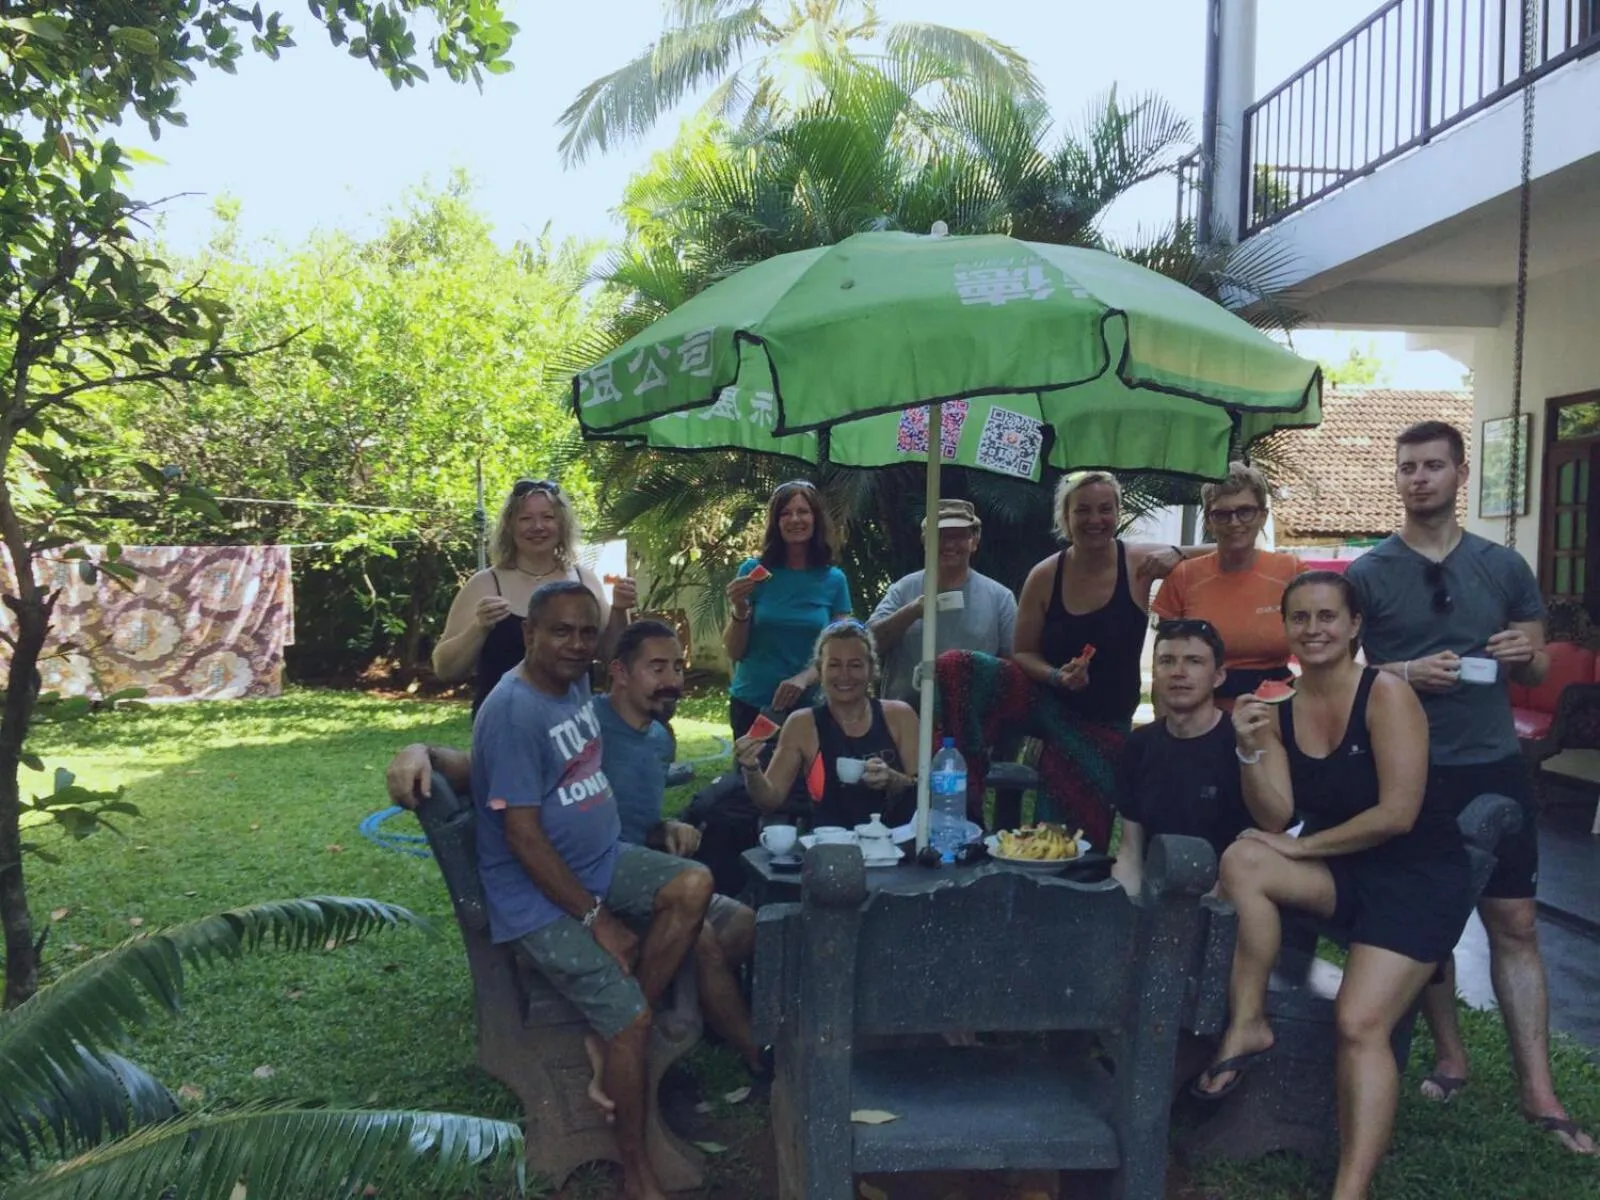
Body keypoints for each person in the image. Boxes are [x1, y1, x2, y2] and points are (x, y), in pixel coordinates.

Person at [428, 582, 736, 1200]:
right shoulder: (513, 711)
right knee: (634, 1020)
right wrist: (597, 919)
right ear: (529, 635)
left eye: (585, 632)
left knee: (694, 885)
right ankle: (636, 1171)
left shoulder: (571, 685)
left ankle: (609, 1031)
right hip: (536, 899)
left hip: (601, 859)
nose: (575, 644)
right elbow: (522, 837)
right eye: (560, 631)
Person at [1345, 420, 1595, 1155]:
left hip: (1493, 764)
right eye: (1406, 467)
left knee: (1514, 923)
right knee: (1424, 924)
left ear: (1459, 474)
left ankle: (1539, 1093)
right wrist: (1404, 673)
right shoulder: (1367, 573)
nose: (1418, 477)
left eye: (1431, 466)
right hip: (1403, 766)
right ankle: (1451, 1056)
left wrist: (1531, 654)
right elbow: (1334, 672)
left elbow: (1539, 665)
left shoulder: (1504, 566)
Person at [1193, 572, 1475, 1200]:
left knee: (1357, 1022)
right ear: (1286, 629)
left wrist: (1302, 847)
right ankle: (1249, 1023)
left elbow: (1397, 814)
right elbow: (1272, 816)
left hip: (1418, 878)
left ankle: (1350, 1189)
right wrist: (1248, 750)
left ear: (1354, 627)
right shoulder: (1280, 708)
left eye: (1327, 617)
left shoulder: (1387, 696)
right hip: (1347, 872)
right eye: (1300, 618)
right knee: (1244, 860)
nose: (1314, 629)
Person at [387, 620, 763, 1070]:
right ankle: (751, 1056)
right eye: (657, 667)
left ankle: (649, 1016)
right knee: (698, 935)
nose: (673, 681)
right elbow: (479, 767)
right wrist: (419, 751)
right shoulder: (581, 719)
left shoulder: (661, 738)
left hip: (636, 868)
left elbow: (619, 806)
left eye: (678, 667)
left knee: (743, 924)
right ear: (620, 672)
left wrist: (660, 825)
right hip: (586, 882)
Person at [934, 471, 1188, 846]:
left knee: (1066, 837)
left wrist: (1178, 552)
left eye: (1105, 509)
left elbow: (1221, 551)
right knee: (955, 666)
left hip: (1102, 721)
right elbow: (1022, 651)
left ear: (1118, 513)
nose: (1094, 520)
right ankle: (964, 787)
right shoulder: (1046, 574)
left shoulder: (1136, 563)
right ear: (1065, 518)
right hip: (1044, 702)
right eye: (1082, 510)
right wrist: (1055, 676)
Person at [1111, 619, 1285, 897]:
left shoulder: (1240, 741)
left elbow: (1271, 830)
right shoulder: (1138, 745)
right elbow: (1130, 852)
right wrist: (1123, 910)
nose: (1178, 673)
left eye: (1193, 661)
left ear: (1218, 676)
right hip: (1157, 895)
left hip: (1231, 900)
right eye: (1167, 661)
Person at [432, 479, 635, 714]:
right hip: (505, 727)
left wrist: (620, 609)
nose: (537, 526)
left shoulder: (585, 580)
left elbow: (613, 657)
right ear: (510, 527)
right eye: (525, 519)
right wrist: (479, 627)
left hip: (573, 729)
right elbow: (444, 668)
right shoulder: (485, 584)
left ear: (562, 525)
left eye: (547, 517)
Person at [733, 620, 919, 831]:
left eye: (855, 665)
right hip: (832, 847)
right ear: (820, 671)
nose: (845, 675)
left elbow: (926, 790)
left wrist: (893, 780)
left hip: (898, 844)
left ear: (871, 670)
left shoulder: (899, 715)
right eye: (834, 665)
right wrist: (752, 768)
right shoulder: (802, 724)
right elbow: (770, 800)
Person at [1151, 462, 1301, 706]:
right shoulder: (1183, 577)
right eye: (1222, 514)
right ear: (1209, 522)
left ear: (1262, 516)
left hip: (1276, 714)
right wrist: (1164, 734)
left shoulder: (1291, 572)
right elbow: (1165, 664)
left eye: (1245, 511)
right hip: (1199, 719)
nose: (1234, 522)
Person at [723, 480, 852, 738]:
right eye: (785, 513)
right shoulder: (752, 572)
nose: (795, 519)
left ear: (815, 519)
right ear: (776, 522)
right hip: (753, 703)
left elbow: (841, 648)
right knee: (753, 777)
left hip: (812, 706)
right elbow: (734, 651)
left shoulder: (834, 580)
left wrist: (804, 678)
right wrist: (739, 608)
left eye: (803, 511)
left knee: (811, 779)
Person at [867, 499, 1017, 704]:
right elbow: (868, 645)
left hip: (973, 721)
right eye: (940, 535)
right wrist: (912, 611)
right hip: (906, 719)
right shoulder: (903, 589)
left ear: (974, 541)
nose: (948, 544)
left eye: (959, 536)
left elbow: (1014, 667)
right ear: (925, 540)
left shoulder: (1000, 598)